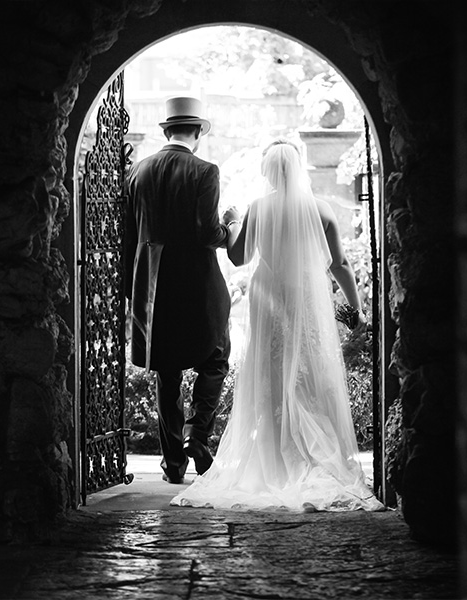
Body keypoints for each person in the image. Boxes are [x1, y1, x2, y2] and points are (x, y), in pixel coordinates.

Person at [172, 139, 384, 512]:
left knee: (270, 377)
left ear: (267, 171)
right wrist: (358, 310)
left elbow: (238, 257)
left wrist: (233, 221)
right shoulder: (322, 209)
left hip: (269, 301)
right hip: (305, 299)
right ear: (298, 167)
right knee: (310, 375)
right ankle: (315, 458)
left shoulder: (259, 208)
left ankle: (273, 460)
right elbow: (340, 265)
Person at [125, 97, 231, 484]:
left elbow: (127, 236)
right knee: (215, 358)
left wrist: (130, 289)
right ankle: (196, 435)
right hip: (198, 287)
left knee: (166, 374)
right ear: (199, 132)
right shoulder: (205, 170)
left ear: (166, 130)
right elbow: (208, 232)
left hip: (152, 288)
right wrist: (230, 227)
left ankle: (173, 465)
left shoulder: (137, 171)